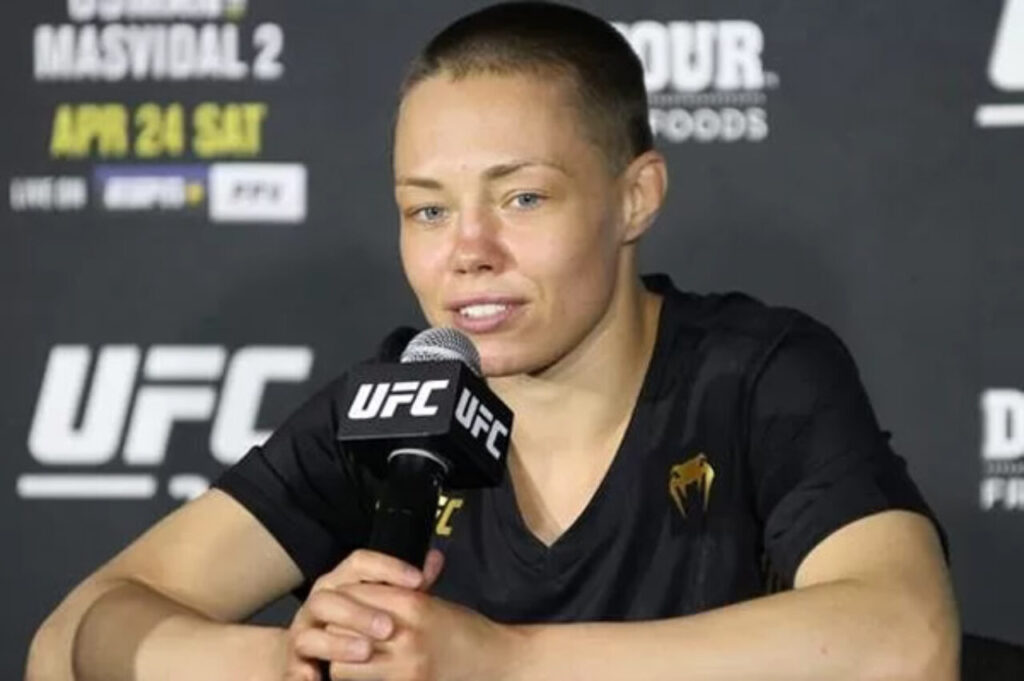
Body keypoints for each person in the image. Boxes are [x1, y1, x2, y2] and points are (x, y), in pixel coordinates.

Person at [26, 3, 960, 680]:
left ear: (635, 197)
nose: (468, 252)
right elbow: (69, 636)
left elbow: (906, 639)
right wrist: (295, 659)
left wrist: (503, 662)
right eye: (428, 210)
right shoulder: (387, 405)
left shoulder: (755, 374)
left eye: (522, 197)